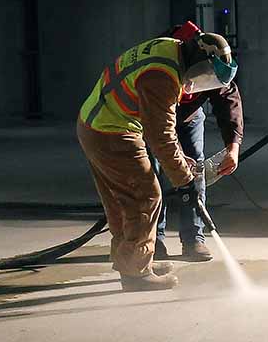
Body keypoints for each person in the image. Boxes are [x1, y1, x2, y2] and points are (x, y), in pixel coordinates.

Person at [77, 31, 237, 291]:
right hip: (112, 132)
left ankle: (135, 261)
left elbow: (159, 133)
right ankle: (136, 275)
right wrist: (185, 180)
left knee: (122, 200)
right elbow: (161, 136)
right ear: (199, 63)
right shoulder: (162, 77)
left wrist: (179, 163)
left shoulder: (171, 49)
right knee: (146, 197)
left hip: (98, 125)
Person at [153, 21, 244, 262]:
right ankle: (153, 240)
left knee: (197, 172)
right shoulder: (166, 60)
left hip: (189, 117)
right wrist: (176, 154)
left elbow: (228, 102)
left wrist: (232, 148)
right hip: (153, 116)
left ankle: (194, 238)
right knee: (152, 174)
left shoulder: (211, 63)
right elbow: (160, 129)